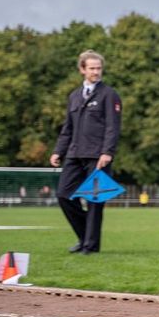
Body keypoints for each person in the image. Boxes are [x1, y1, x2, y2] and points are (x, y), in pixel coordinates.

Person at [49, 50, 122, 254]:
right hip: (74, 154)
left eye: (99, 68)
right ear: (82, 69)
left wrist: (107, 152)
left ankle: (90, 245)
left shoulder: (109, 94)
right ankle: (85, 237)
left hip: (98, 156)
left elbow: (113, 126)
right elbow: (68, 128)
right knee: (64, 195)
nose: (96, 72)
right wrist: (58, 151)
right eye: (92, 68)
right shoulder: (73, 96)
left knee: (94, 202)